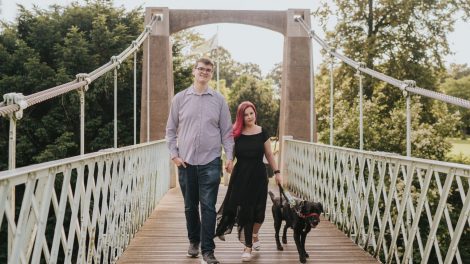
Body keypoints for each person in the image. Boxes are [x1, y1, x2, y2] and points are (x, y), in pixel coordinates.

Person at [166, 58, 234, 264]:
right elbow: (170, 130)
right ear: (194, 71)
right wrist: (174, 155)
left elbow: (227, 132)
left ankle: (208, 250)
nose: (204, 72)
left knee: (208, 207)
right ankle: (193, 241)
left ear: (211, 74)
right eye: (201, 69)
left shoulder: (219, 100)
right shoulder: (180, 99)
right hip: (185, 163)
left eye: (208, 70)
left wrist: (229, 156)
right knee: (189, 206)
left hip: (210, 162)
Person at [214, 101, 283, 262]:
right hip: (241, 176)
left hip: (259, 176)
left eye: (251, 113)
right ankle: (247, 246)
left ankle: (254, 234)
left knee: (259, 214)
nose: (249, 117)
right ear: (241, 116)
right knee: (246, 211)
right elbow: (229, 152)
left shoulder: (262, 132)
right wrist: (229, 161)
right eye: (246, 114)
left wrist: (277, 172)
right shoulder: (235, 133)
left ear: (255, 114)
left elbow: (269, 155)